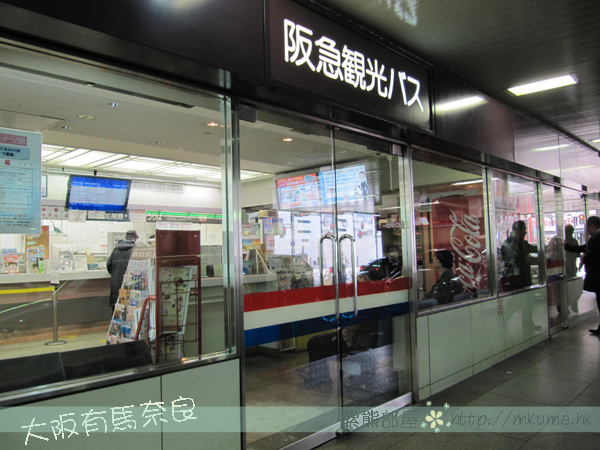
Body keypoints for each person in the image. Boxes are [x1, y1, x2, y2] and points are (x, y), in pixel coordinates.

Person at [565, 216, 600, 334]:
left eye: (588, 226)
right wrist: (568, 247)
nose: (587, 229)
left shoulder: (598, 239)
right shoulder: (594, 238)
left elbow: (594, 255)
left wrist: (586, 259)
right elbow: (584, 248)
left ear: (593, 226)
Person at [500, 220, 538, 290]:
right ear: (518, 231)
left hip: (521, 281)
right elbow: (518, 259)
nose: (525, 233)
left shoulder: (520, 243)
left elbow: (534, 249)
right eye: (524, 230)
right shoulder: (511, 244)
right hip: (514, 283)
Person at [106, 230, 138, 308]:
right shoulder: (136, 250)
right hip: (130, 283)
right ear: (135, 239)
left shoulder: (116, 249)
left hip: (116, 282)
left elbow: (108, 264)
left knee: (116, 308)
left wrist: (115, 274)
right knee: (129, 308)